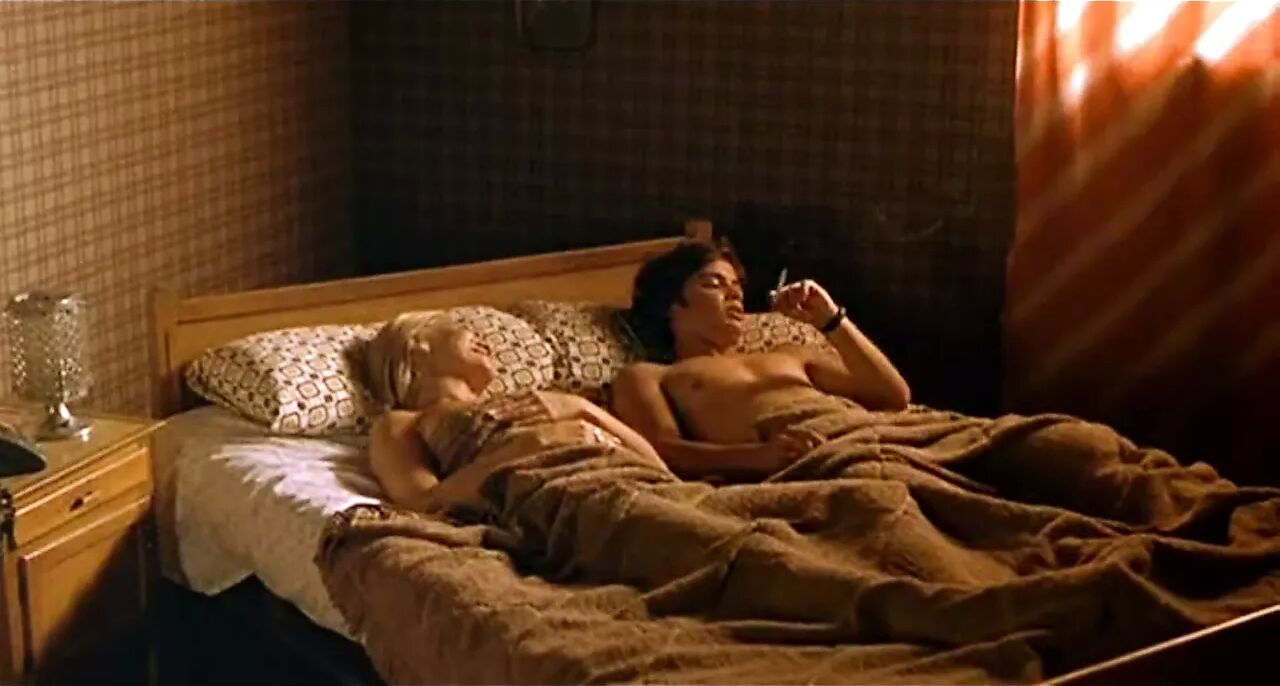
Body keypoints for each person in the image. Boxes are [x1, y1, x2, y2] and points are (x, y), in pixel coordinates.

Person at [612, 239, 911, 480]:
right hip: (810, 460)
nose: (734, 295)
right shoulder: (650, 375)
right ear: (670, 304)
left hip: (866, 436)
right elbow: (663, 450)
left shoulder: (791, 352)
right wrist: (758, 457)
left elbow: (894, 395)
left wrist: (831, 319)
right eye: (714, 284)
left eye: (736, 285)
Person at [361, 312, 669, 514]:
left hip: (638, 480)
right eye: (460, 329)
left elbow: (658, 467)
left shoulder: (539, 400)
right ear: (417, 346)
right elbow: (423, 504)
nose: (484, 340)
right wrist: (522, 450)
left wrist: (580, 408)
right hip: (573, 499)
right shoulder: (401, 422)